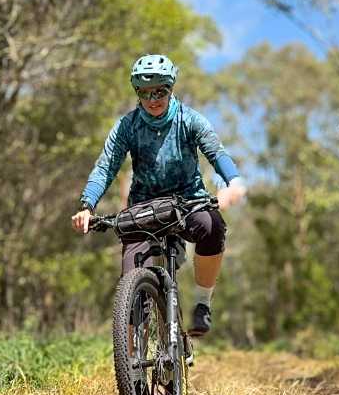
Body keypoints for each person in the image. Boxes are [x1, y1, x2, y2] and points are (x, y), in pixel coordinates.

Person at [71, 54, 246, 336]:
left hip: (189, 201)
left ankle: (202, 303)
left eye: (160, 91)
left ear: (171, 88)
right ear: (137, 92)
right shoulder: (127, 126)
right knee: (129, 291)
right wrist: (87, 206)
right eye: (145, 92)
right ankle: (130, 372)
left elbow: (217, 153)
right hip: (145, 207)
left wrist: (234, 183)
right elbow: (105, 168)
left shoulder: (189, 119)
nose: (153, 99)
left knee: (212, 226)